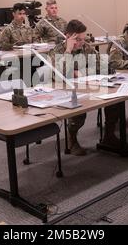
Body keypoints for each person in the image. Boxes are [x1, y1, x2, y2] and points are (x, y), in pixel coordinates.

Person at [48, 19, 100, 156]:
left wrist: (81, 73)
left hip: (85, 87)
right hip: (63, 91)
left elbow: (101, 66)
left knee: (115, 101)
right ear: (68, 37)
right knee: (79, 109)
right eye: (77, 39)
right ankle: (72, 139)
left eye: (83, 39)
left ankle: (110, 136)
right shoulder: (57, 51)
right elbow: (60, 76)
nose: (81, 42)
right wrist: (69, 50)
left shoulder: (85, 47)